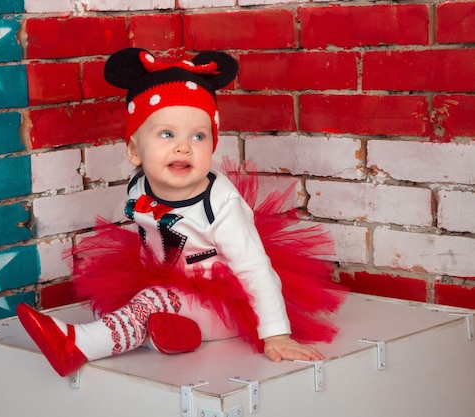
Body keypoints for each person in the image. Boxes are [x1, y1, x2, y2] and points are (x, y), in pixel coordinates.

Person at [17, 48, 346, 377]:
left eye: (198, 136)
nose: (183, 146)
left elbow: (256, 272)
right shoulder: (139, 187)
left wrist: (277, 335)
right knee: (114, 303)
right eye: (166, 134)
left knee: (152, 300)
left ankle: (77, 345)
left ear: (212, 146)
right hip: (167, 285)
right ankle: (166, 335)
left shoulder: (220, 203)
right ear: (134, 150)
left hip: (223, 304)